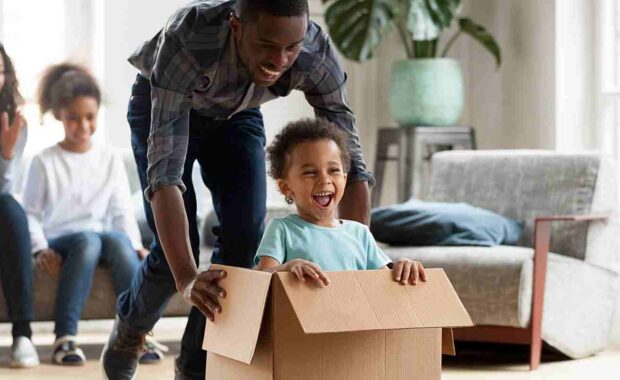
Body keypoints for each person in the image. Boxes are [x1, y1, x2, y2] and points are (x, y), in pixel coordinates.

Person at [101, 1, 374, 379]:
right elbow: (164, 177)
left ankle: (196, 368)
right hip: (163, 104)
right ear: (236, 26)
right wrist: (187, 278)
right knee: (174, 259)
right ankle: (131, 328)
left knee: (245, 241)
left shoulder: (314, 52)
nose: (280, 59)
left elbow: (352, 162)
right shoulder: (190, 39)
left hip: (237, 113)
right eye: (266, 44)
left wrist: (358, 265)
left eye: (290, 48)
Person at [21, 63, 153, 366]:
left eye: (90, 117)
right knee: (88, 241)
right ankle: (65, 338)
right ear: (58, 116)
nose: (82, 125)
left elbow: (121, 210)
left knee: (118, 241)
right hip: (62, 239)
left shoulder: (109, 158)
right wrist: (41, 249)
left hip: (101, 238)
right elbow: (29, 214)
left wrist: (135, 245)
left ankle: (138, 334)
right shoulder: (44, 162)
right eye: (73, 118)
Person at [255, 118, 426, 284]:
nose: (324, 179)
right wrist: (287, 268)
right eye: (310, 172)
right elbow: (262, 279)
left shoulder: (360, 234)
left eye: (333, 170)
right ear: (286, 187)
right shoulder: (282, 229)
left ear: (344, 179)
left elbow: (384, 283)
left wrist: (403, 266)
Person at [0, 42, 40, 368]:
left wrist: (6, 155)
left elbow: (6, 189)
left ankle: (23, 335)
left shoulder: (14, 123)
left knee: (10, 208)